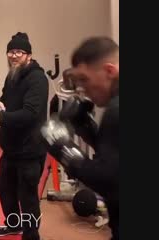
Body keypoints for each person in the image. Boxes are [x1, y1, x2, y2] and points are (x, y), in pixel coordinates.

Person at [41, 36, 119, 239]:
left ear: (109, 71)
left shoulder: (117, 109)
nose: (82, 88)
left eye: (85, 79)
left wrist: (63, 149)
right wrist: (86, 127)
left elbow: (110, 181)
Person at [0, 32, 49, 240]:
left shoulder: (37, 78)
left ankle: (31, 235)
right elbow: (4, 96)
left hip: (30, 149)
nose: (13, 56)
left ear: (29, 55)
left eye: (19, 52)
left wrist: (0, 118)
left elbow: (30, 113)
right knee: (6, 191)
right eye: (10, 52)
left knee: (27, 197)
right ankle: (14, 225)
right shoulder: (12, 74)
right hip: (10, 149)